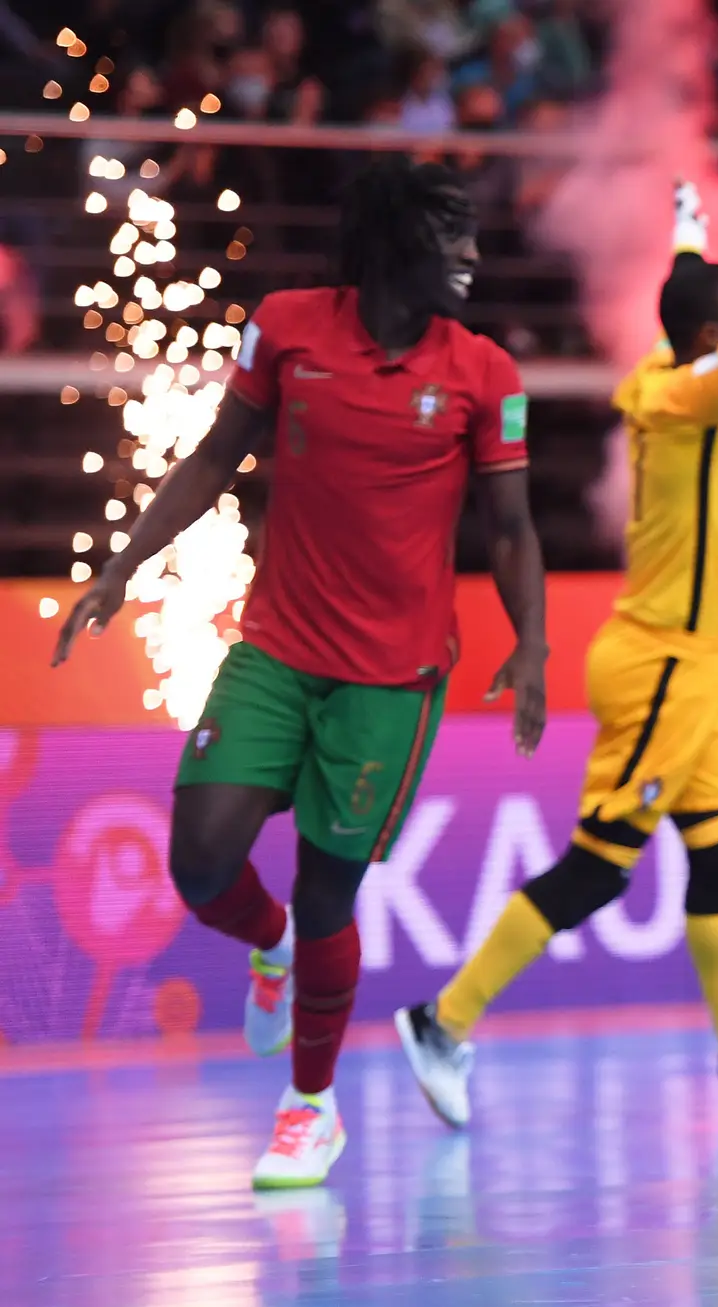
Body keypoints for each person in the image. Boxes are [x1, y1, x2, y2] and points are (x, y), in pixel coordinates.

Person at [51, 158, 549, 1189]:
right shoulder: (284, 326)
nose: (470, 255)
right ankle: (265, 942)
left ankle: (309, 1107)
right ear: (394, 243)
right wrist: (121, 565)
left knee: (331, 894)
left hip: (392, 680)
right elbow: (212, 455)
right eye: (451, 236)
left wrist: (532, 642)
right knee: (199, 862)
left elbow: (510, 526)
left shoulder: (485, 372)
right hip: (276, 649)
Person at [395, 132, 718, 1128]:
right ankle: (443, 1018)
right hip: (659, 664)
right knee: (598, 863)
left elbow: (694, 293)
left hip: (690, 670)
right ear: (715, 339)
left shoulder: (670, 362)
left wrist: (690, 226)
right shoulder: (692, 394)